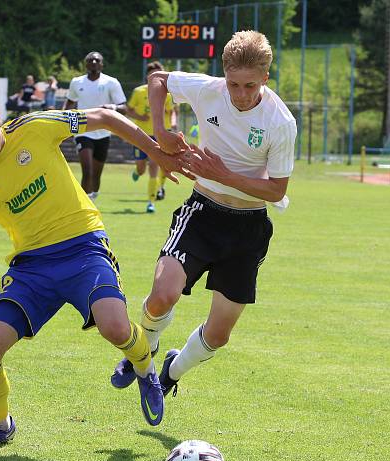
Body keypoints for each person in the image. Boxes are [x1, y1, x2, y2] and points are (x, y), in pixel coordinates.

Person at [0, 82, 182, 447]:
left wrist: (156, 152)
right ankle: (0, 426)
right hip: (31, 267)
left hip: (83, 247)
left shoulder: (35, 126)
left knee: (114, 327)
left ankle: (145, 368)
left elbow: (107, 117)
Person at [109, 30, 296, 400]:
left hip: (248, 227)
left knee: (219, 334)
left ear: (266, 79)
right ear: (223, 75)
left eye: (250, 86)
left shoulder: (280, 122)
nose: (241, 94)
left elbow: (277, 190)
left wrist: (221, 174)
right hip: (202, 213)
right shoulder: (208, 89)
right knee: (163, 294)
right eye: (233, 84)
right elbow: (158, 79)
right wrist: (161, 131)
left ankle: (172, 371)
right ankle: (142, 350)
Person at [63, 52, 127, 201]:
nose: (93, 62)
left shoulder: (111, 82)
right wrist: (63, 120)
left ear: (102, 64)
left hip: (104, 132)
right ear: (86, 64)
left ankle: (93, 196)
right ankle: (84, 203)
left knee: (96, 173)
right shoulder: (77, 82)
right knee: (87, 169)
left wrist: (111, 107)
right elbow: (70, 103)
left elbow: (124, 108)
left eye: (97, 60)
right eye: (90, 60)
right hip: (83, 130)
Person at [126, 61, 177, 213]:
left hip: (161, 134)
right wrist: (139, 117)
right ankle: (138, 171)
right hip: (141, 135)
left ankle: (151, 201)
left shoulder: (167, 94)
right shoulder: (139, 92)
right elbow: (129, 110)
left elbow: (172, 111)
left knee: (157, 165)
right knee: (142, 168)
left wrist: (173, 125)